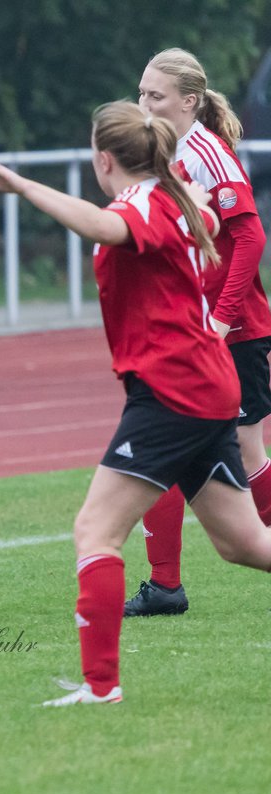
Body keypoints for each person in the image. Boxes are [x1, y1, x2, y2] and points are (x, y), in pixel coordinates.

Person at [0, 101, 271, 707]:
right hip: (203, 386)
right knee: (245, 544)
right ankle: (99, 684)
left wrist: (24, 186)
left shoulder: (143, 205)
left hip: (175, 393)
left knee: (96, 530)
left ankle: (100, 687)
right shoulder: (176, 198)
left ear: (102, 158)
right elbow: (210, 225)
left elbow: (105, 227)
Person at [126, 48, 271, 618]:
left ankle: (167, 584)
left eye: (155, 95)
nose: (144, 103)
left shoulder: (207, 151)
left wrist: (221, 317)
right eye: (140, 92)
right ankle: (164, 585)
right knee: (156, 441)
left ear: (190, 102)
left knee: (244, 444)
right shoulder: (159, 152)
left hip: (231, 333)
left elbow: (251, 237)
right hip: (183, 331)